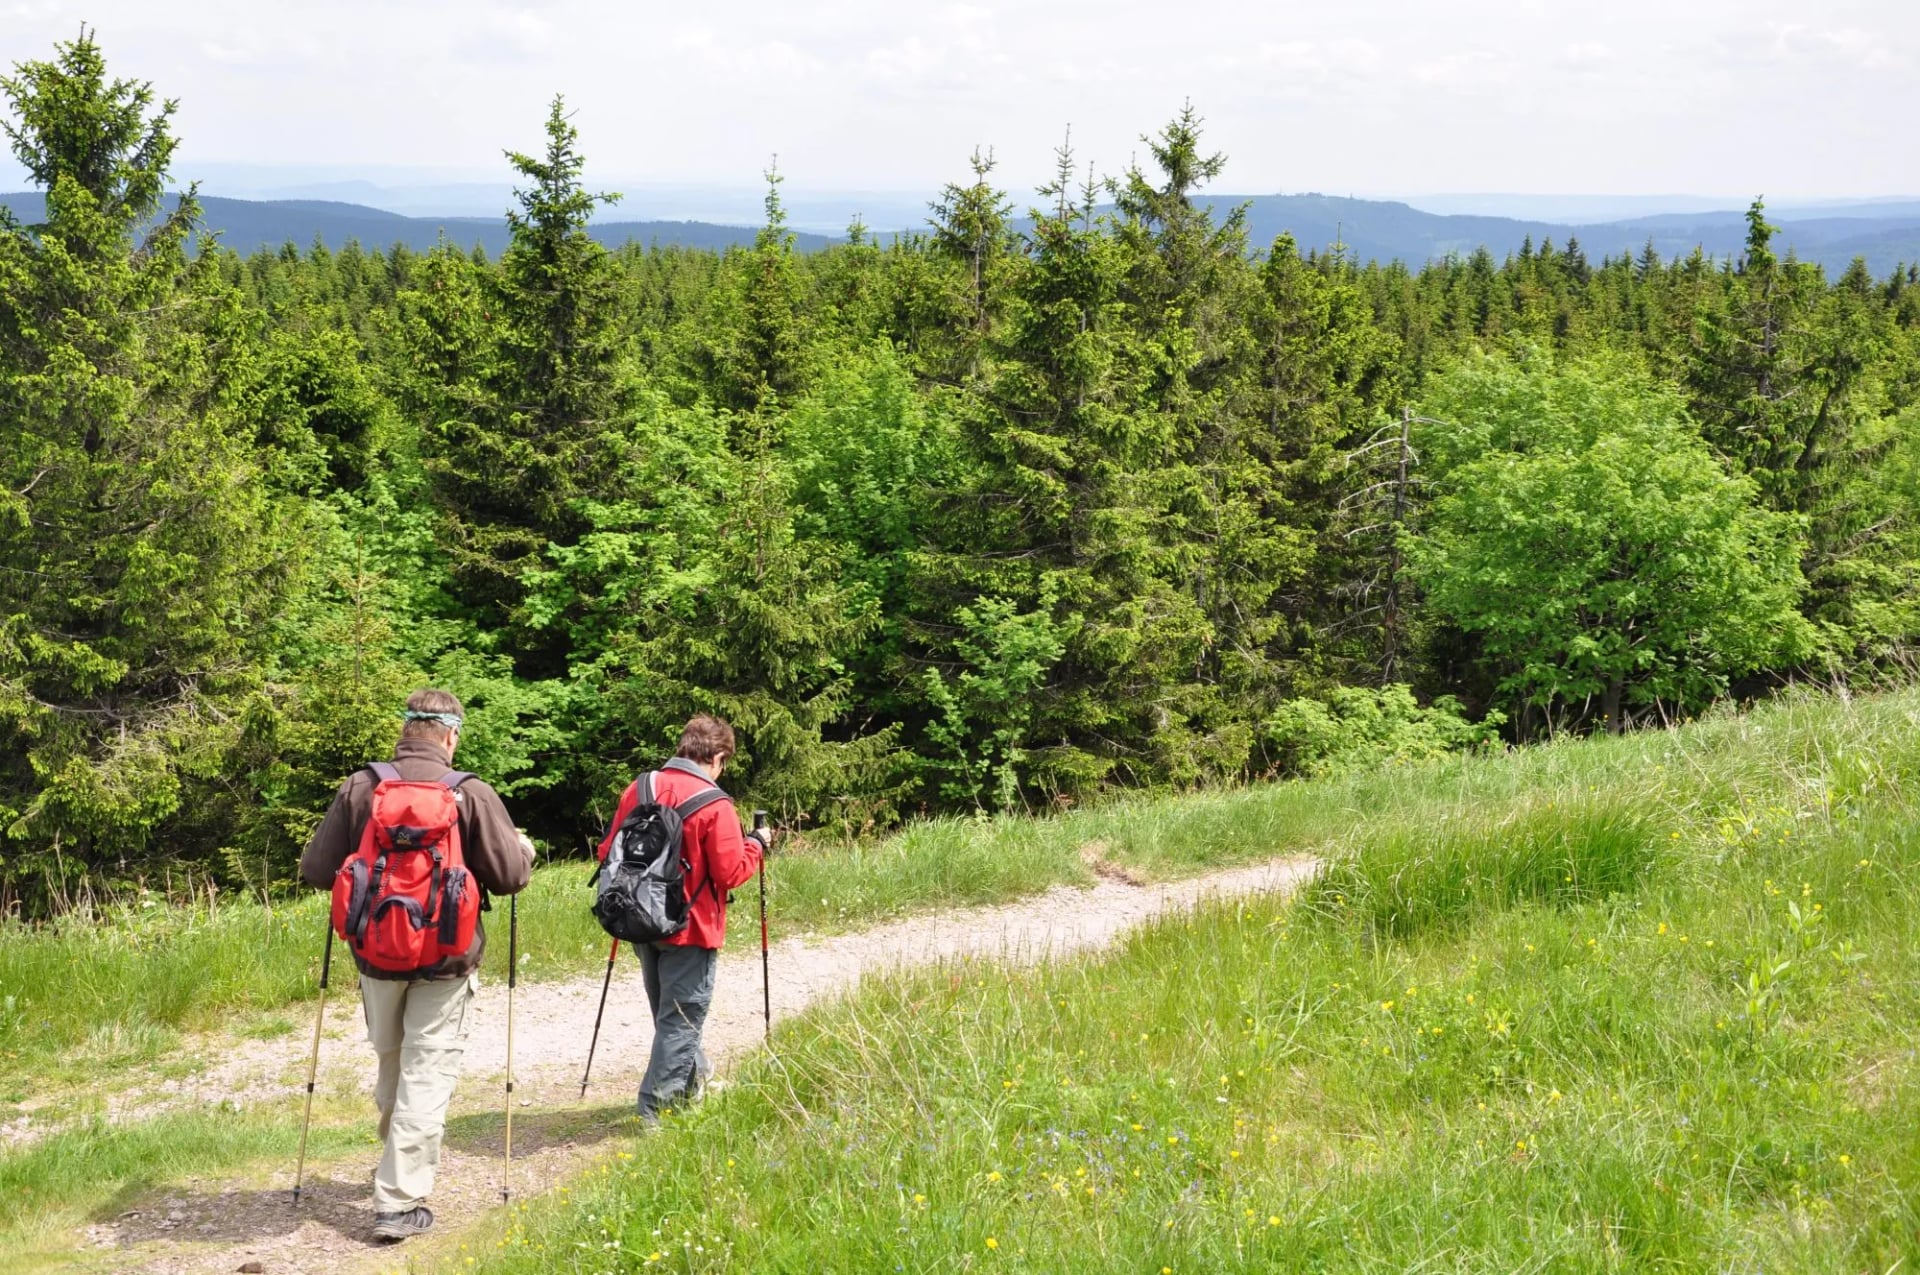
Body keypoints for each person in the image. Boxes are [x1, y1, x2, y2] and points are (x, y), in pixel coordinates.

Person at [299, 689, 534, 1242]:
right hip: (447, 957)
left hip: (375, 955)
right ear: (451, 735)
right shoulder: (470, 792)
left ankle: (394, 1166)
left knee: (392, 1061)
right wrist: (520, 849)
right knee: (426, 1073)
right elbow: (509, 877)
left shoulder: (364, 786)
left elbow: (315, 869)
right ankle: (398, 1201)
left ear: (406, 730)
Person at [597, 714, 768, 1121]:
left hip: (639, 919)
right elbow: (730, 873)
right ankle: (655, 1112)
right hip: (692, 927)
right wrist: (757, 845)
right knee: (681, 1019)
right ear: (719, 757)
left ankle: (692, 1088)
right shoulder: (716, 804)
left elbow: (608, 851)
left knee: (668, 1015)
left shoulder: (639, 788)